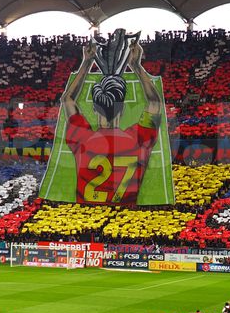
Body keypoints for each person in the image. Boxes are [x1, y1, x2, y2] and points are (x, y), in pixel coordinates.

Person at [61, 34, 164, 206]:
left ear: (94, 108)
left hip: (86, 220)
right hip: (124, 222)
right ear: (122, 109)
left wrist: (87, 62)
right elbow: (155, 102)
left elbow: (67, 99)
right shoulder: (138, 139)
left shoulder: (82, 138)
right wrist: (136, 66)